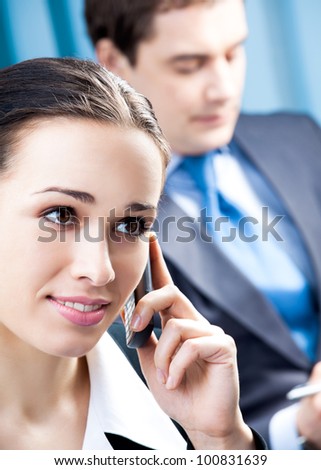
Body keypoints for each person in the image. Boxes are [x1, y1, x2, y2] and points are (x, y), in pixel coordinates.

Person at [84, 0, 321, 449]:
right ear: (114, 61)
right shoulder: (101, 221)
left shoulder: (299, 136)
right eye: (189, 66)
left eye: (233, 54)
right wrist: (297, 430)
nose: (223, 89)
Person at [0, 56, 267, 450]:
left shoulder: (181, 408)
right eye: (60, 215)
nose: (100, 270)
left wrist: (220, 441)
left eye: (130, 226)